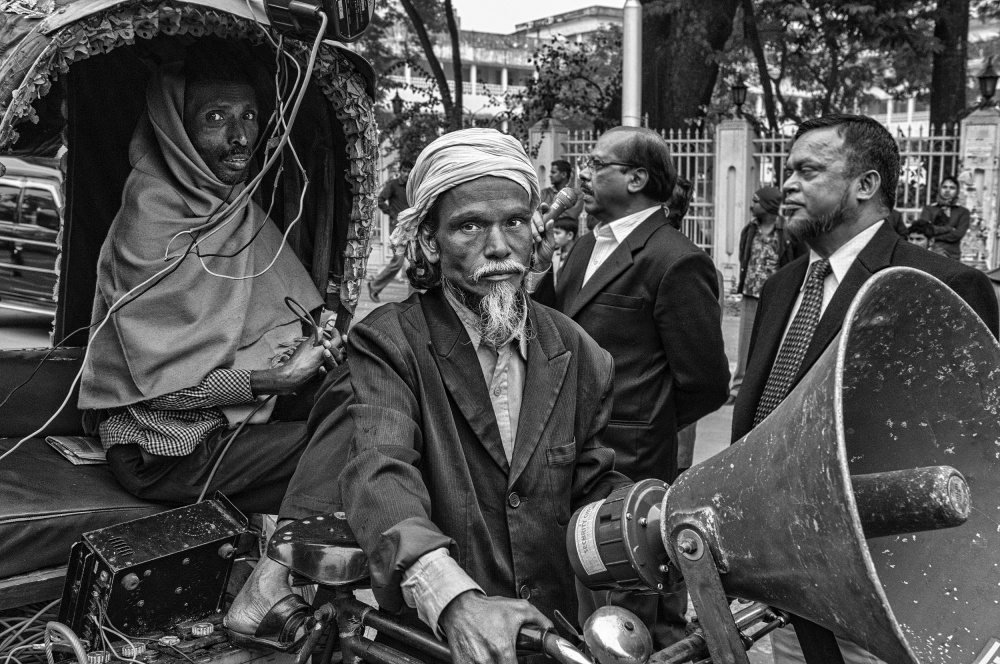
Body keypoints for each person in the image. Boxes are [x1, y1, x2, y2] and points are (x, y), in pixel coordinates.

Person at [77, 43, 356, 650]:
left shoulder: (238, 212)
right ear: (176, 131)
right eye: (215, 119)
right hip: (165, 449)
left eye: (250, 118)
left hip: (228, 428)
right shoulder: (148, 225)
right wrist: (272, 381)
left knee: (371, 403)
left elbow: (283, 314)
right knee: (356, 442)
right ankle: (269, 590)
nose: (240, 139)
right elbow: (166, 386)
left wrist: (316, 340)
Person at [337, 128, 630, 664]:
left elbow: (589, 484)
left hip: (552, 636)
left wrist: (644, 520)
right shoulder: (390, 341)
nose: (498, 247)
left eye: (514, 222)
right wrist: (454, 600)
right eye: (469, 225)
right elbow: (380, 473)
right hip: (435, 642)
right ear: (429, 240)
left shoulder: (582, 353)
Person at [730, 114, 998, 664]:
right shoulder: (782, 286)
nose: (788, 183)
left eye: (809, 170)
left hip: (886, 581)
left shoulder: (938, 284)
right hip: (789, 578)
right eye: (787, 169)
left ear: (866, 185)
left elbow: (972, 440)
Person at [532, 126, 730, 647]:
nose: (583, 175)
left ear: (637, 177)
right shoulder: (582, 248)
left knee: (635, 612)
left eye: (598, 165)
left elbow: (706, 382)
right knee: (582, 602)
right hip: (566, 454)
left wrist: (643, 423)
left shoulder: (674, 259)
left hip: (631, 466)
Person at [729, 186, 803, 402]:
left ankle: (768, 389)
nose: (752, 205)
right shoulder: (749, 229)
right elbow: (745, 257)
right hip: (751, 294)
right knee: (745, 342)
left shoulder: (788, 231)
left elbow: (799, 260)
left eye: (756, 201)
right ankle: (738, 388)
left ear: (769, 206)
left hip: (777, 298)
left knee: (773, 342)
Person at [369, 159, 414, 302]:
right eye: (404, 171)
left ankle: (413, 298)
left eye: (409, 172)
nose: (406, 174)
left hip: (412, 228)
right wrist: (392, 214)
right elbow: (380, 199)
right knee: (398, 262)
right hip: (398, 229)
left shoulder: (411, 188)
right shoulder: (394, 185)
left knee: (415, 262)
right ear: (400, 171)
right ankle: (374, 286)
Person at [918, 175, 969, 261]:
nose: (947, 190)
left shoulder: (963, 212)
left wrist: (934, 235)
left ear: (957, 191)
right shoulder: (929, 209)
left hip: (952, 255)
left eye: (952, 188)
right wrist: (949, 229)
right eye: (944, 187)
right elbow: (925, 229)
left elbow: (957, 235)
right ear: (939, 189)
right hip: (929, 253)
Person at [540, 158, 585, 230]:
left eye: (553, 172)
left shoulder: (576, 194)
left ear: (563, 174)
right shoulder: (544, 193)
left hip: (568, 238)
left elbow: (571, 215)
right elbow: (538, 214)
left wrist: (548, 212)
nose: (550, 175)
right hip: (546, 237)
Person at [550, 217, 577, 285]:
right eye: (553, 232)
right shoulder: (553, 254)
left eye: (557, 233)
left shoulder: (578, 255)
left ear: (570, 235)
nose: (554, 236)